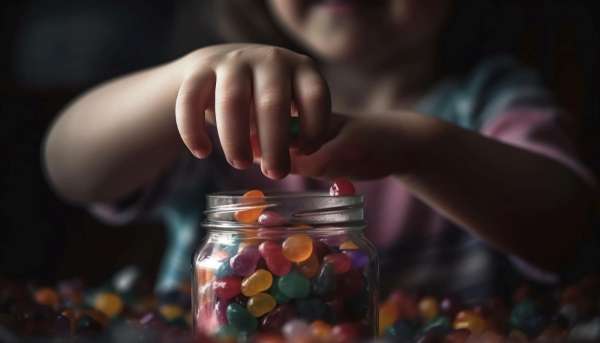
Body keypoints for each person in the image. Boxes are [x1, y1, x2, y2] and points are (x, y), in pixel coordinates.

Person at [43, 0, 597, 298]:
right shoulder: (226, 101)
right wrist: (188, 77)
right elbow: (71, 169)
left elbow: (569, 230)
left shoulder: (490, 98)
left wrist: (423, 150)